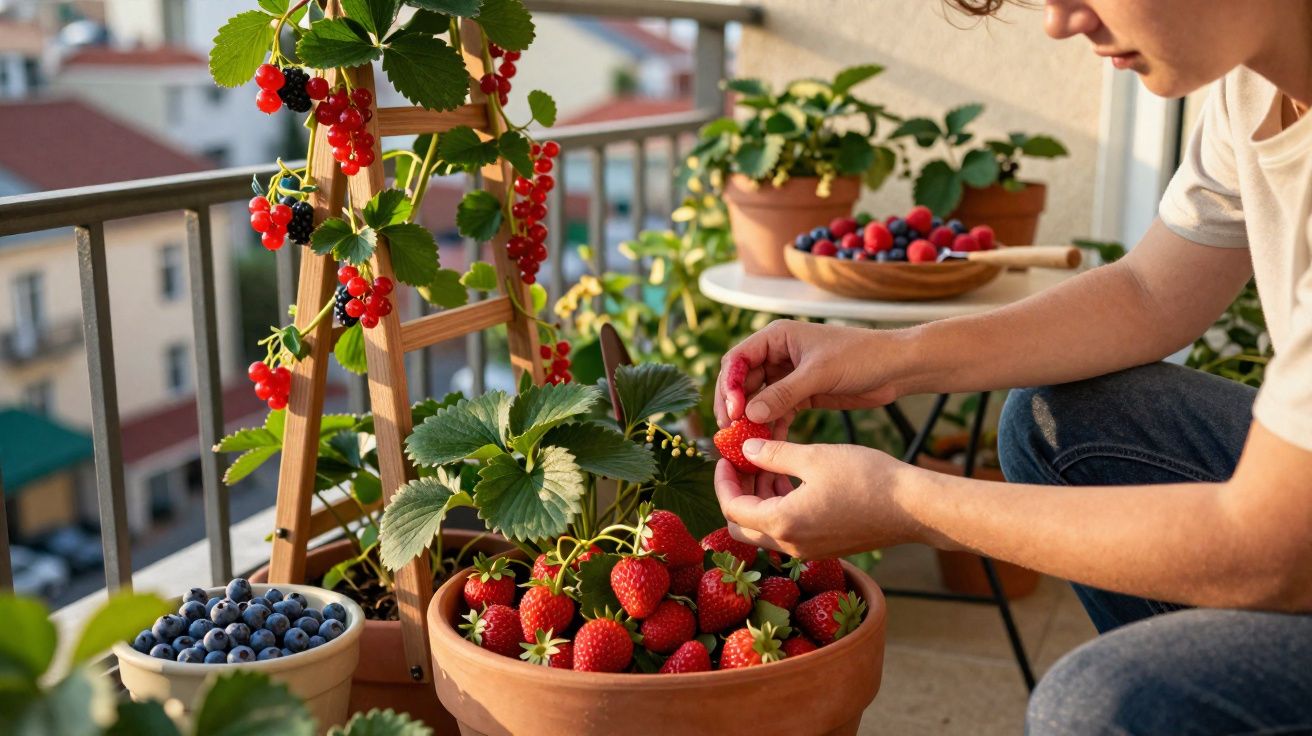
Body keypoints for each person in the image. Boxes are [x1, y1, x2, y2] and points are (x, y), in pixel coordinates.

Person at [711, 1, 1312, 733]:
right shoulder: (1255, 85)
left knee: (1099, 706)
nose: (1060, 21)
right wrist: (891, 356)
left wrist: (907, 503)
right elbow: (1151, 293)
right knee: (1057, 422)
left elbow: (1270, 546)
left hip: (1285, 538)